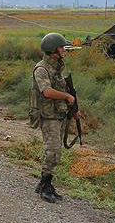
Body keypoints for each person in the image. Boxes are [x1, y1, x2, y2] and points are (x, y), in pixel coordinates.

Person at [29, 32, 79, 203]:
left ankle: (44, 183)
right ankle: (45, 185)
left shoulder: (57, 68)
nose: (64, 50)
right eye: (61, 47)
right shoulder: (42, 68)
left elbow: (64, 91)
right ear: (52, 50)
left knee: (55, 151)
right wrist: (67, 97)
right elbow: (47, 92)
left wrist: (73, 108)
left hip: (59, 115)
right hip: (47, 115)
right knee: (53, 151)